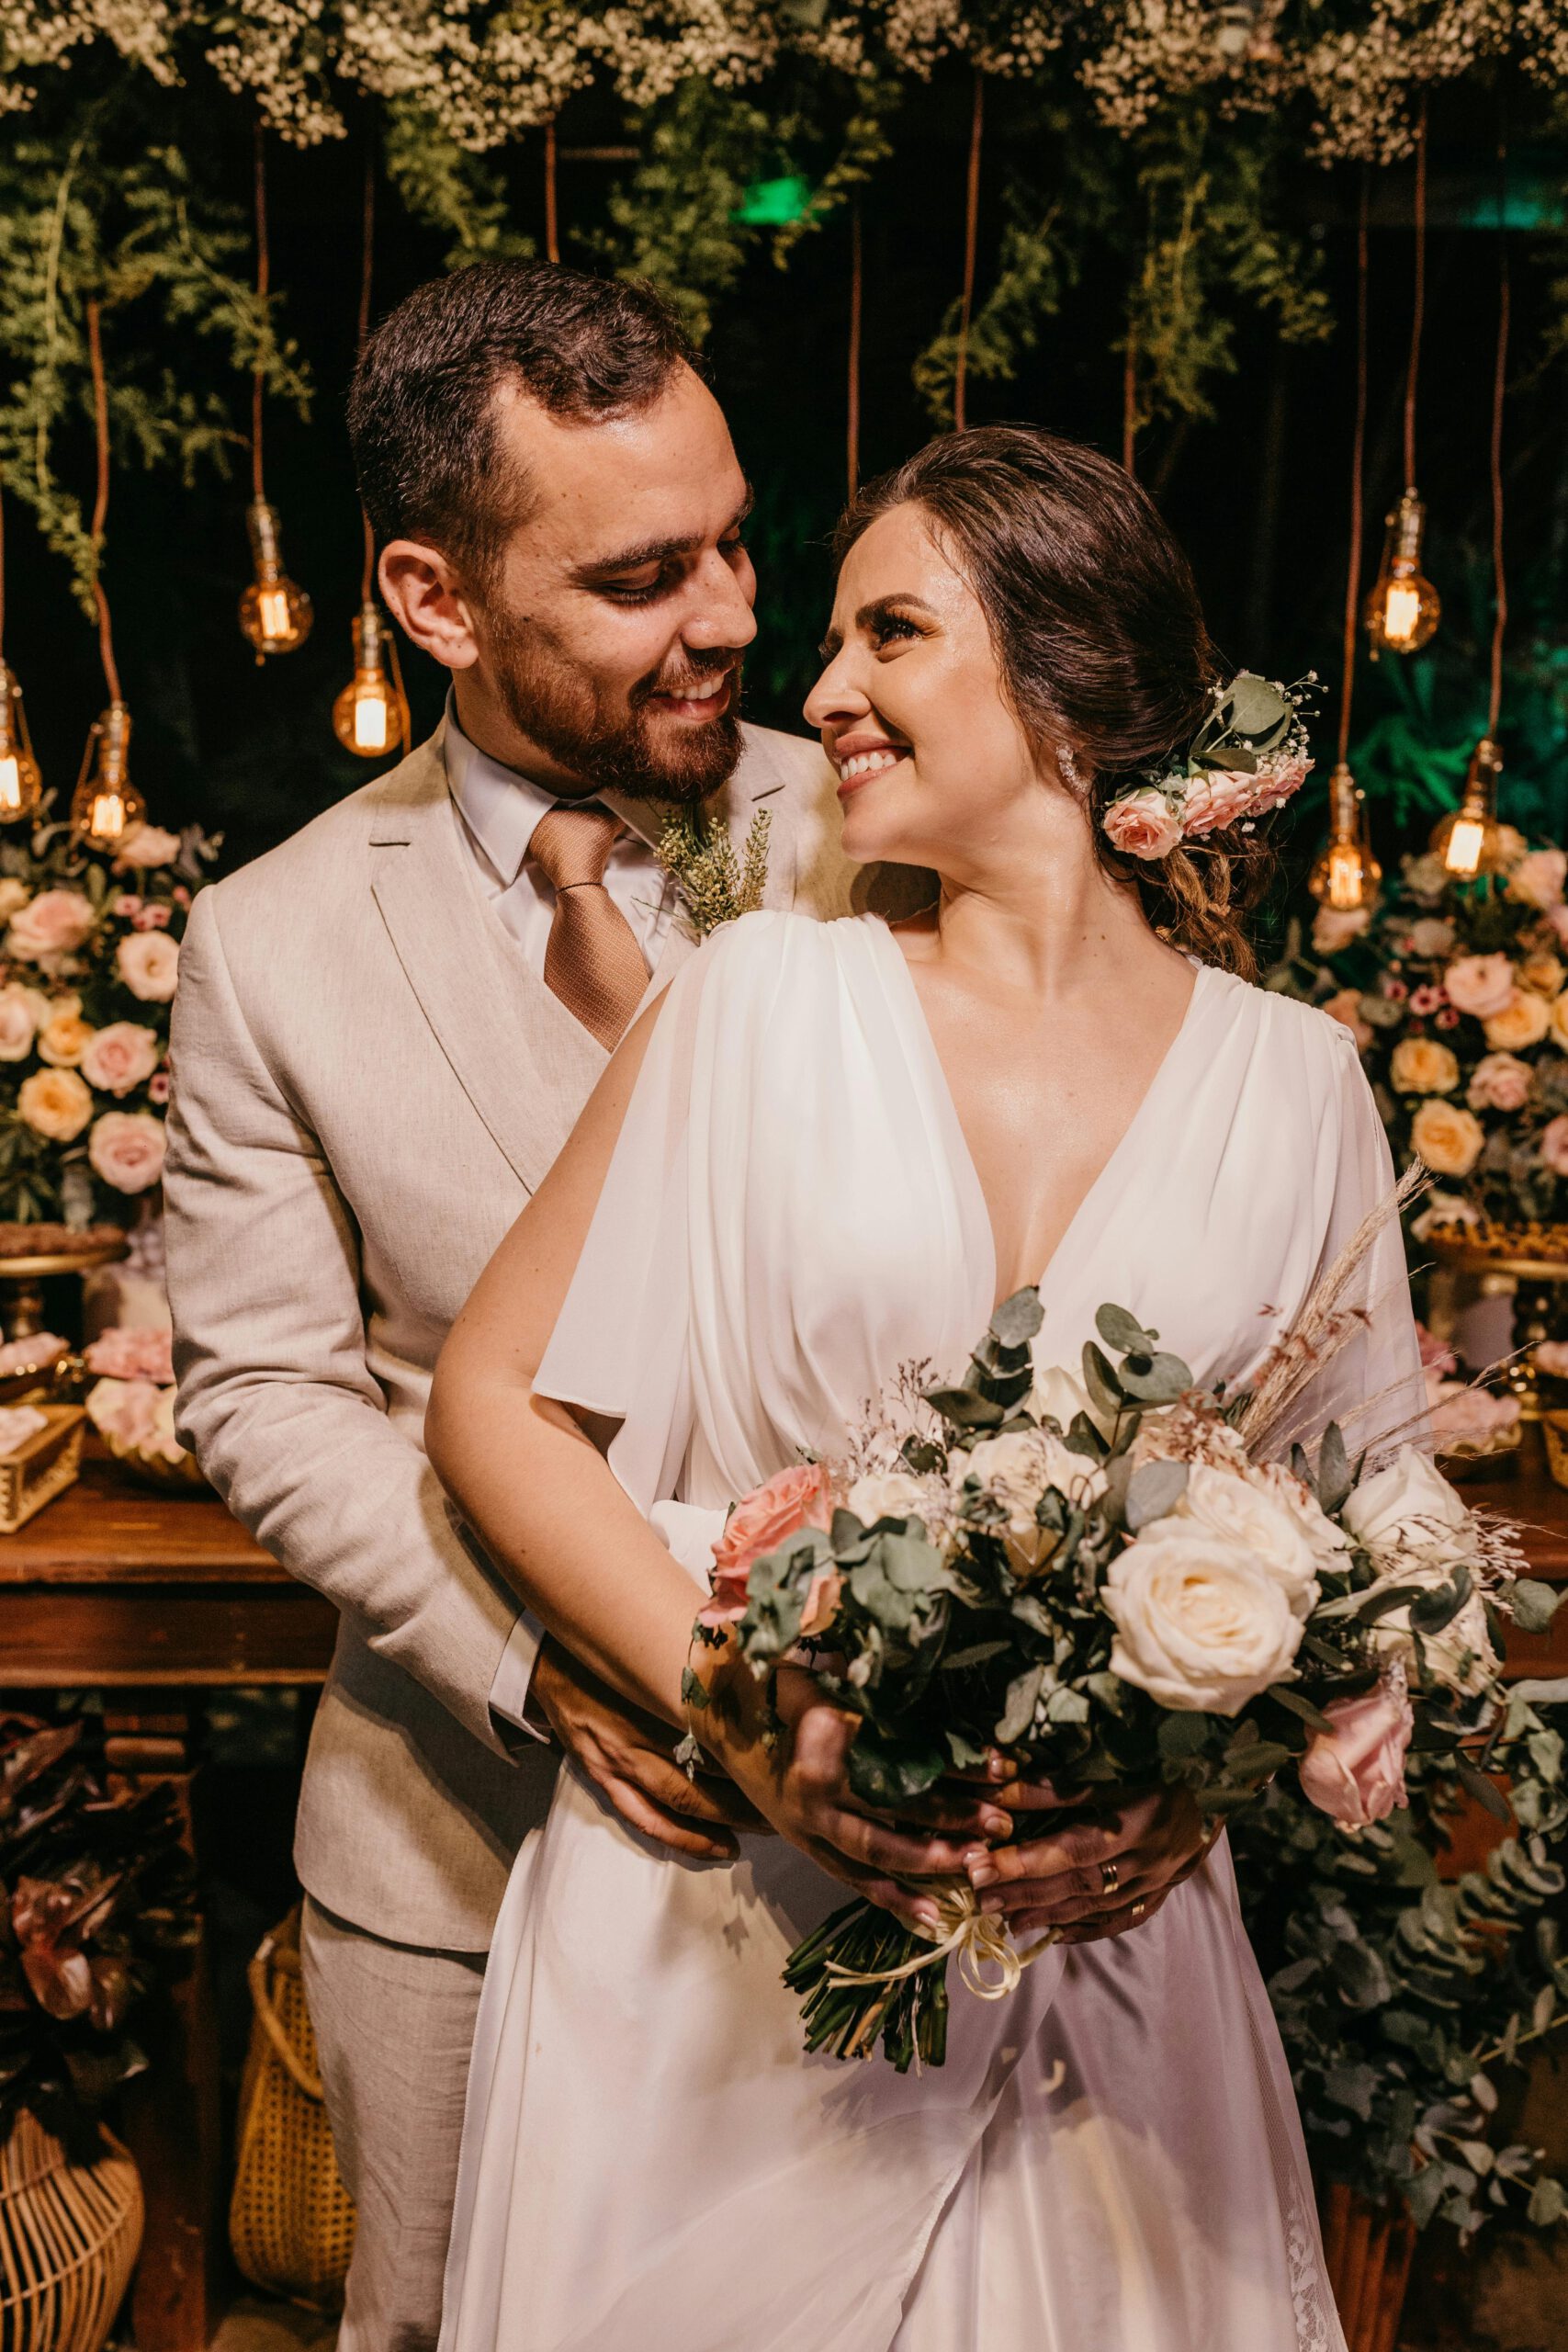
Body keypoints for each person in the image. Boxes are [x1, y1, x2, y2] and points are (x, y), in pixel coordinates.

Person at [425, 424, 1425, 2351]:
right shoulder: (754, 1001)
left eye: (889, 630)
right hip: (714, 1931)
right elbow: (491, 1396)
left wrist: (1190, 1801)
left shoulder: (1294, 1081)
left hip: (1096, 1940)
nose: (817, 692)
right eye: (830, 638)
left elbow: (1359, 1539)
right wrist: (729, 1704)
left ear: (1065, 678)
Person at [162, 260, 921, 2351]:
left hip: (873, 1827)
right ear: (433, 594)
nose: (735, 618)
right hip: (465, 1835)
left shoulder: (886, 833)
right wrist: (537, 1662)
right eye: (640, 574)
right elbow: (267, 1394)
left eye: (739, 540)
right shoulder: (268, 942)